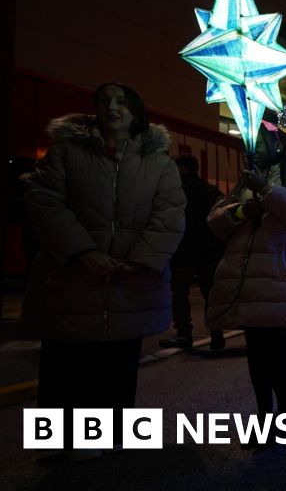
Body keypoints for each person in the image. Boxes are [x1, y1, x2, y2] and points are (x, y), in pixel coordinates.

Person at [20, 82, 185, 461]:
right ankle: (61, 440)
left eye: (122, 102)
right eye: (105, 100)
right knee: (66, 358)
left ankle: (108, 436)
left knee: (119, 359)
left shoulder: (159, 163)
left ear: (136, 111)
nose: (113, 107)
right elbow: (44, 202)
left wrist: (140, 260)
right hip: (72, 276)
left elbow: (170, 216)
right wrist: (83, 252)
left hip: (128, 278)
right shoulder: (66, 151)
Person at [206, 121, 286, 444]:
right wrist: (244, 210)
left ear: (278, 143)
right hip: (249, 279)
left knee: (274, 354)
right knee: (257, 355)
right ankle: (264, 420)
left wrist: (267, 191)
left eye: (259, 141)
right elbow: (216, 221)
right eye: (249, 142)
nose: (252, 148)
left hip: (279, 277)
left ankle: (285, 417)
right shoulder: (247, 178)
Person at [159, 154, 226, 350]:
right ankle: (216, 333)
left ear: (181, 169)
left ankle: (183, 333)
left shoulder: (175, 191)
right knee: (210, 294)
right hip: (209, 252)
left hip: (183, 250)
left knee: (180, 293)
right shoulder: (211, 191)